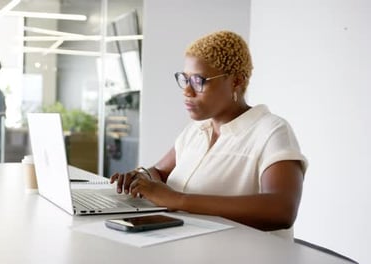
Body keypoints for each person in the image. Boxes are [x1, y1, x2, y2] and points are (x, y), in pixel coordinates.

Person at [110, 30, 308, 240]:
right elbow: (160, 170)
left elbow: (281, 210)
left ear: (236, 82)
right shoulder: (197, 130)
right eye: (184, 79)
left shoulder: (271, 130)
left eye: (198, 81)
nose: (187, 91)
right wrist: (142, 179)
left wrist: (178, 200)